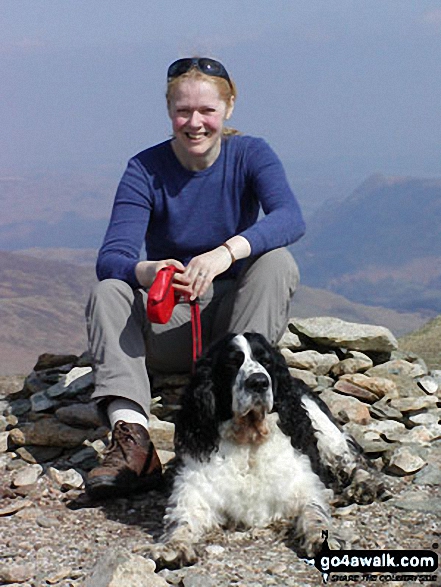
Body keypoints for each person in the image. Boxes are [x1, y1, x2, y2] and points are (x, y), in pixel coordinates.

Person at [85, 57, 306, 499]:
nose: (195, 123)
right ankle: (134, 443)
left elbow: (289, 218)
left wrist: (226, 253)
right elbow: (112, 258)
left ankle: (248, 407)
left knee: (276, 261)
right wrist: (150, 270)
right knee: (109, 291)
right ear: (170, 112)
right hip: (171, 322)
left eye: (206, 110)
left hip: (232, 331)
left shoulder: (251, 154)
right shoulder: (144, 169)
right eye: (184, 111)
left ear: (228, 107)